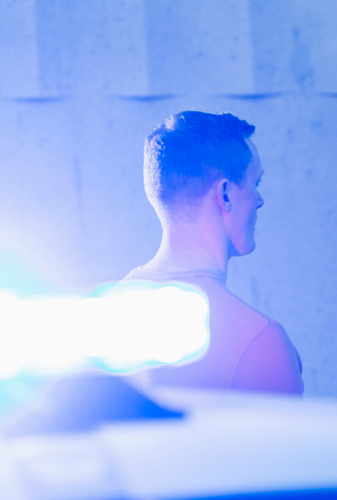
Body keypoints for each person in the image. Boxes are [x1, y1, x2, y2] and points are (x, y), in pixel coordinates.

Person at [124, 111, 303, 395]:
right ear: (226, 194)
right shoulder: (259, 343)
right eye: (255, 183)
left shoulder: (99, 326)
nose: (260, 200)